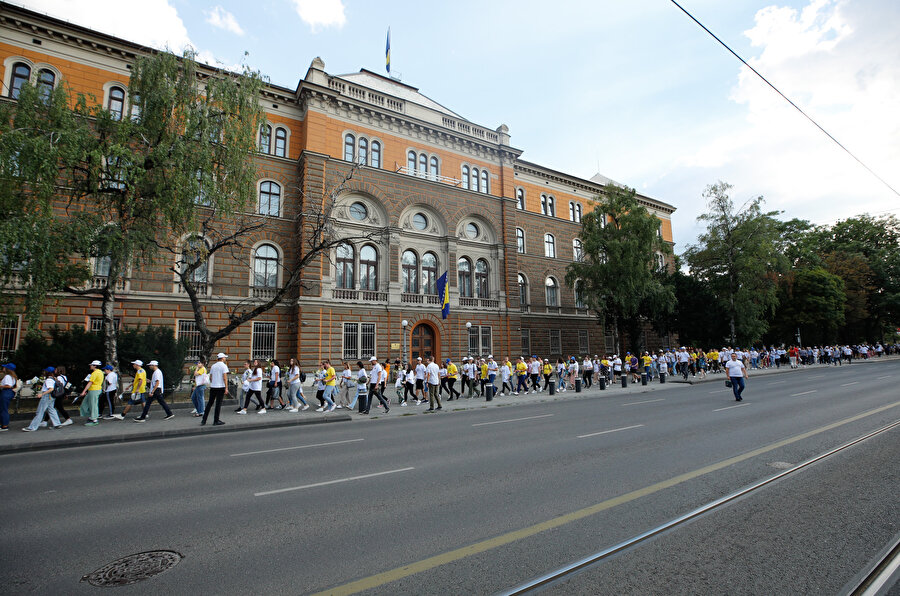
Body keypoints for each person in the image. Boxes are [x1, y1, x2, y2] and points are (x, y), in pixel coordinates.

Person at [23, 366, 62, 431]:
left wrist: (42, 394)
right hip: (51, 397)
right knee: (51, 410)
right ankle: (57, 424)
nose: (44, 372)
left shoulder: (48, 380)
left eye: (45, 371)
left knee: (40, 412)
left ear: (47, 372)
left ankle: (32, 427)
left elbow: (51, 389)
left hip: (46, 396)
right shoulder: (53, 378)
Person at [202, 352, 228, 426]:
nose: (225, 359)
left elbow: (211, 377)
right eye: (225, 357)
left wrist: (213, 382)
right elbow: (225, 377)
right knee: (218, 404)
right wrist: (226, 387)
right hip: (220, 387)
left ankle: (204, 420)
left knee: (210, 403)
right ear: (222, 358)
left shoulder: (213, 366)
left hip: (213, 386)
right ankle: (216, 420)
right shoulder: (224, 366)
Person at [78, 360, 104, 426]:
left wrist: (83, 391)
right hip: (94, 390)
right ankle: (92, 416)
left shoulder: (95, 373)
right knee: (86, 404)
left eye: (92, 365)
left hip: (94, 390)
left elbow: (90, 382)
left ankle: (94, 419)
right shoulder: (100, 372)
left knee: (93, 405)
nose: (90, 366)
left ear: (95, 366)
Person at [0, 363, 17, 431]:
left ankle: (4, 425)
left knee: (3, 409)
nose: (3, 368)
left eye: (4, 367)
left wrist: (1, 386)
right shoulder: (13, 376)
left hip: (6, 392)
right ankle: (3, 424)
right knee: (3, 408)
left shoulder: (7, 376)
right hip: (9, 393)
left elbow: (8, 386)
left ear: (7, 369)